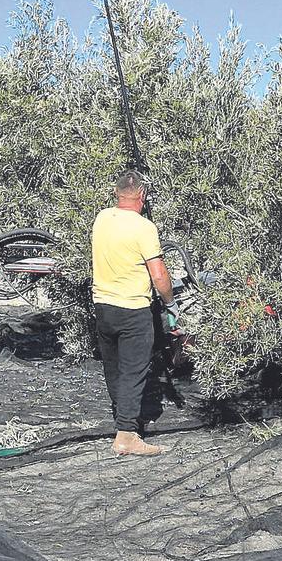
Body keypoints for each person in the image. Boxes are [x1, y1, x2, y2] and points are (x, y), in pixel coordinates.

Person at [91, 170, 180, 456]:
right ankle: (127, 436)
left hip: (103, 307)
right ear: (142, 196)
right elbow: (159, 275)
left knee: (114, 367)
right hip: (133, 309)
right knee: (134, 371)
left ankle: (123, 419)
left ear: (117, 193)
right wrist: (170, 303)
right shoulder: (144, 228)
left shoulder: (102, 218)